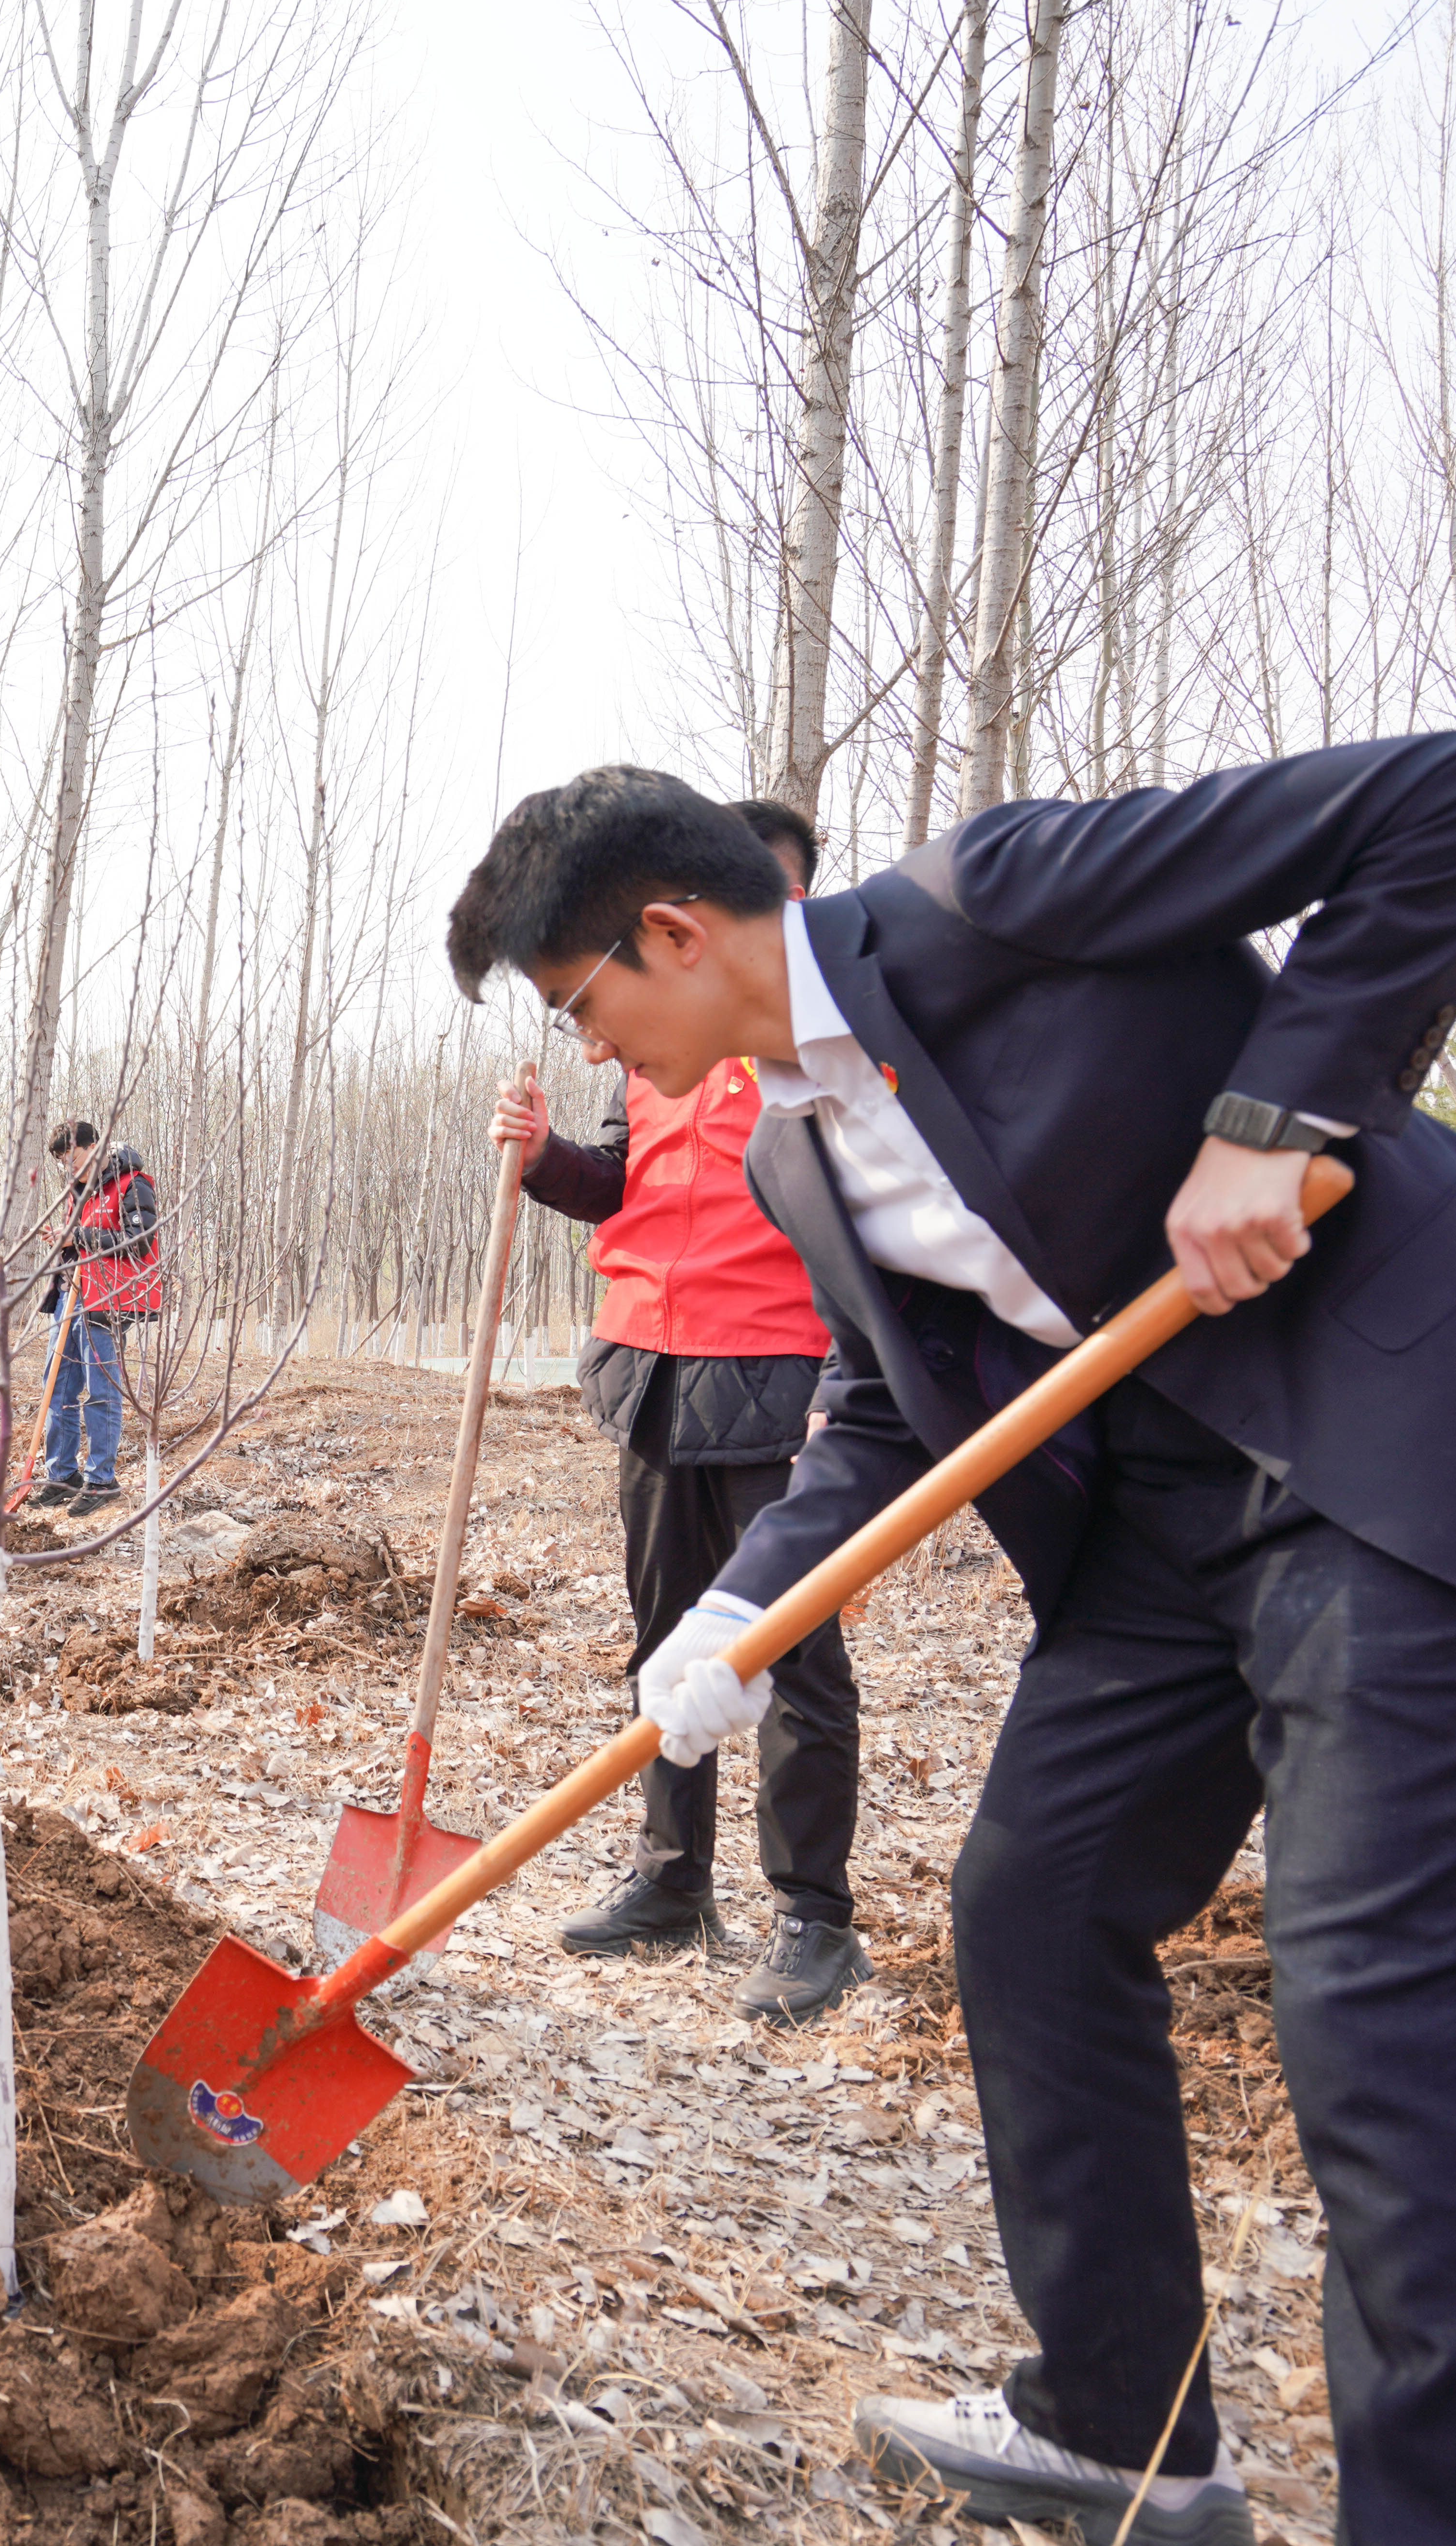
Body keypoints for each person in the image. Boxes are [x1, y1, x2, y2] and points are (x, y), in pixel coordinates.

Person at [445, 737, 1456, 2546]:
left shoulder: (995, 901)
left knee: (1377, 2010)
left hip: (1378, 1446)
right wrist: (747, 1603)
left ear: (670, 932)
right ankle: (1117, 2429)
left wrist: (1274, 1112)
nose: (590, 1054)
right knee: (1029, 1908)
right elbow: (886, 1413)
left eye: (580, 1004)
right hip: (1156, 1530)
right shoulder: (786, 1161)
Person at [498, 796, 866, 2024]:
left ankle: (814, 1914)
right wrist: (548, 1153)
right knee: (668, 1637)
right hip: (653, 1364)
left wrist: (847, 1393)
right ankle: (670, 1878)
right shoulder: (654, 1049)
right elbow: (618, 1190)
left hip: (781, 1366)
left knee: (791, 1650)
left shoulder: (826, 1043)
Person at [30, 1120, 162, 1512]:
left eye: (73, 1157)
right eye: (61, 1162)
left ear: (95, 1146)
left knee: (101, 1390)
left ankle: (102, 1480)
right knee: (57, 1386)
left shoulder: (132, 1184)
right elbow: (81, 1239)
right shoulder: (77, 1192)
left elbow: (139, 1242)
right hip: (72, 1294)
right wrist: (62, 1238)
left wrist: (80, 1238)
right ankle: (62, 1475)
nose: (68, 1167)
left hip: (110, 1300)